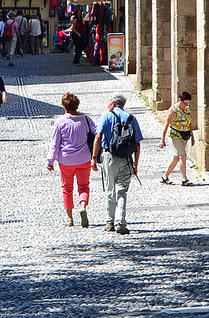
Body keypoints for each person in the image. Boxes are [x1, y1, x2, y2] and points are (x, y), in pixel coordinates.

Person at [94, 95, 143, 234]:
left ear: (114, 103)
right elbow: (138, 144)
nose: (107, 104)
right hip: (126, 158)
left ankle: (109, 221)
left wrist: (93, 158)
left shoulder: (106, 116)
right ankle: (120, 222)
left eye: (109, 102)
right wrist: (136, 164)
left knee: (110, 189)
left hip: (109, 156)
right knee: (122, 191)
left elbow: (98, 137)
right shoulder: (131, 118)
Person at [46, 92, 95, 227]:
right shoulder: (85, 119)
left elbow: (55, 143)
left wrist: (50, 160)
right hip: (84, 158)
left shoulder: (60, 122)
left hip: (66, 160)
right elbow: (97, 134)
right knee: (84, 186)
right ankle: (83, 207)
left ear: (64, 106)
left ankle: (69, 218)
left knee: (66, 188)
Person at [160, 90, 197, 185]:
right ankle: (184, 179)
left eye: (188, 103)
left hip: (184, 136)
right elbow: (166, 124)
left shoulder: (187, 109)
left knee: (176, 158)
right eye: (185, 103)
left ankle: (165, 177)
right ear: (180, 100)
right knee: (183, 156)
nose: (186, 105)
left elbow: (189, 123)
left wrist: (192, 136)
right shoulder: (173, 110)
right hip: (174, 136)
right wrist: (162, 139)